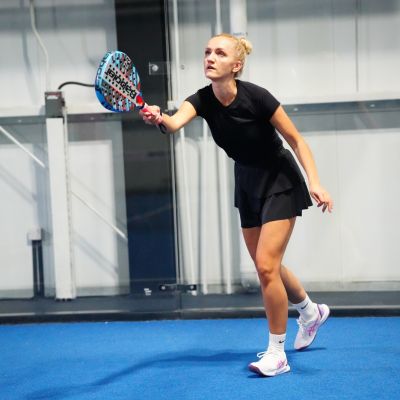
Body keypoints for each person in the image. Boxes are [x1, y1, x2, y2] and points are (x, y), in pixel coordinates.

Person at [140, 33, 333, 377]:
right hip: (247, 183)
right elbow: (172, 124)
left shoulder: (257, 97)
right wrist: (157, 117)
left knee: (266, 267)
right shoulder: (201, 100)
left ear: (237, 65)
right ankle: (309, 311)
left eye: (219, 52)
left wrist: (315, 182)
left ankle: (277, 353)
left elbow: (296, 139)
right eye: (207, 52)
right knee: (267, 264)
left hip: (279, 178)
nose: (210, 57)